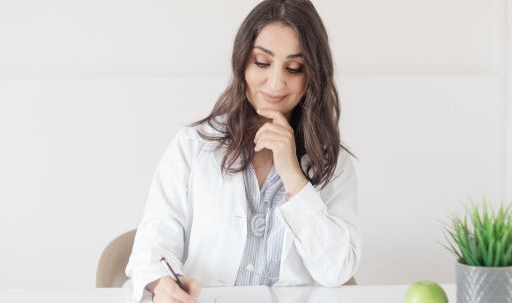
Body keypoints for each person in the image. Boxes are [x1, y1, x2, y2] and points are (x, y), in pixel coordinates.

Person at [126, 0, 361, 302]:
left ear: (313, 76)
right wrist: (160, 282)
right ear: (242, 63)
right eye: (262, 63)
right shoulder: (193, 146)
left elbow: (338, 270)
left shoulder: (334, 165)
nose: (276, 82)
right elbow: (153, 244)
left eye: (294, 68)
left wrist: (293, 177)